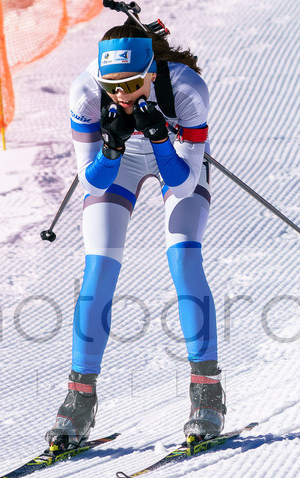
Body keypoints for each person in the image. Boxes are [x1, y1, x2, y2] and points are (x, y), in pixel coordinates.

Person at [45, 20, 224, 450]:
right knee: (99, 268)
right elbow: (91, 183)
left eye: (130, 84)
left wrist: (161, 138)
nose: (120, 95)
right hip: (118, 164)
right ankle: (79, 398)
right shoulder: (87, 93)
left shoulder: (186, 89)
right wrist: (110, 148)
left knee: (183, 257)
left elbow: (182, 183)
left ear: (150, 72)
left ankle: (207, 393)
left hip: (174, 161)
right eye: (112, 85)